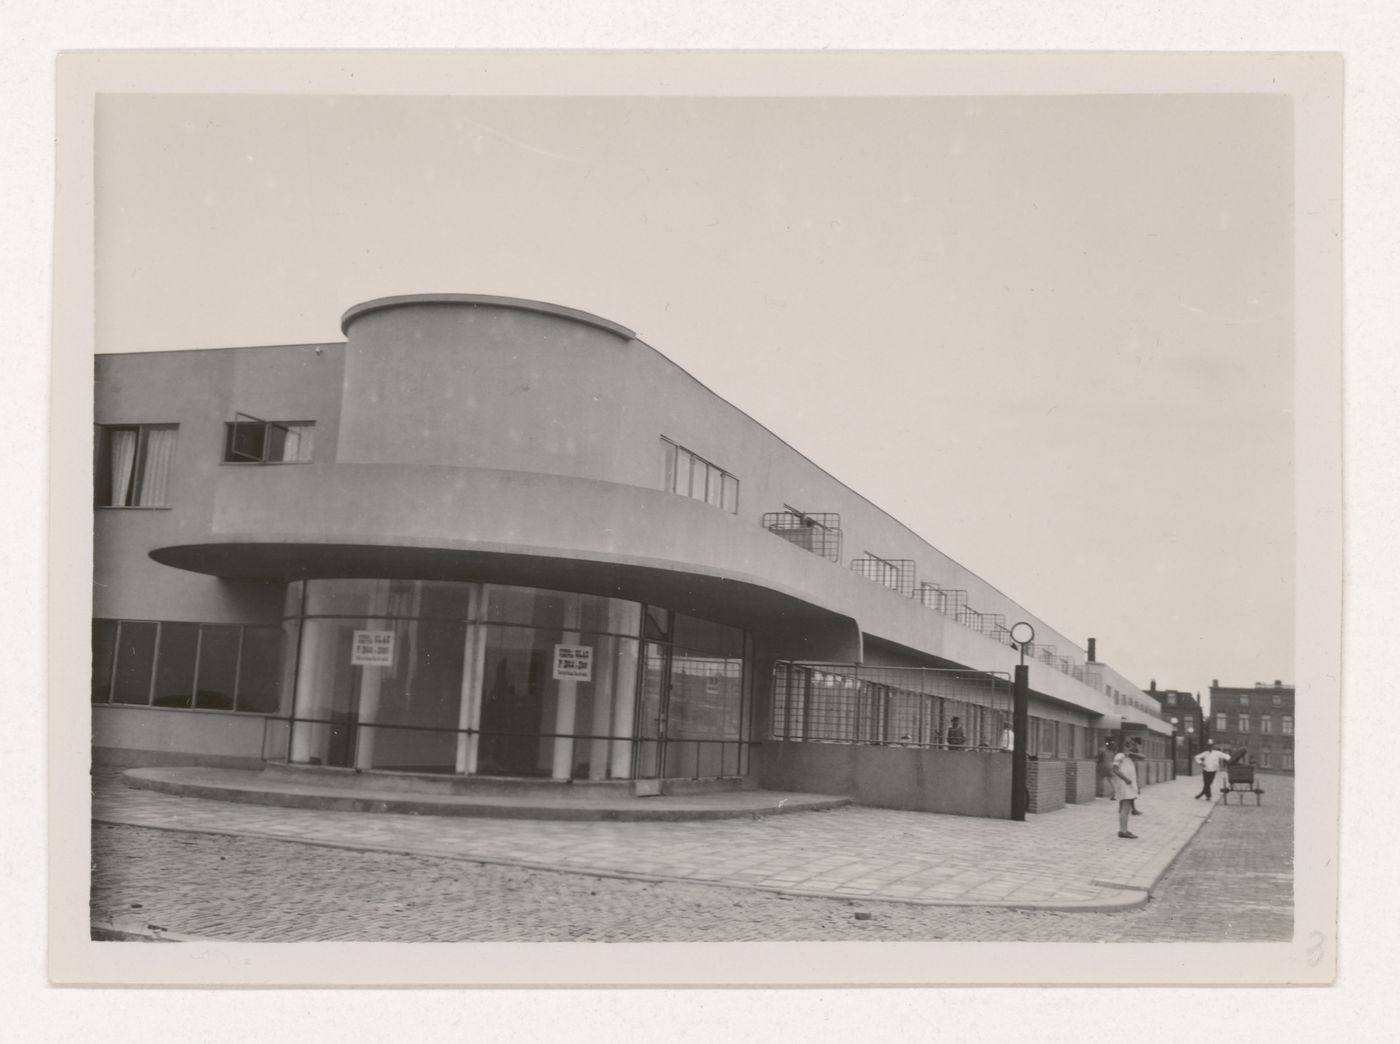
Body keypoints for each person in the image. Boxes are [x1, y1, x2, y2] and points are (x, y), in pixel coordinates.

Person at [1111, 739, 1141, 839]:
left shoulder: (1129, 758)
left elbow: (1142, 757)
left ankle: (1123, 829)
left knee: (1125, 808)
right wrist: (1125, 779)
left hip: (1128, 785)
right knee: (1125, 807)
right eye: (1132, 746)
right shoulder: (1119, 756)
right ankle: (1123, 831)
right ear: (1126, 746)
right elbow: (1114, 768)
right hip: (1124, 784)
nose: (1134, 748)